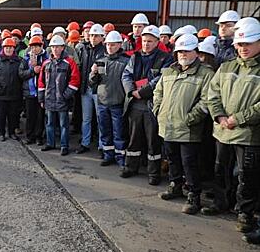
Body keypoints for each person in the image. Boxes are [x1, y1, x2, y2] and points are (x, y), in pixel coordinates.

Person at [205, 23, 260, 242]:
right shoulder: (227, 67)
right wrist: (219, 116)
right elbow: (213, 92)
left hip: (249, 134)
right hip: (222, 131)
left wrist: (238, 118)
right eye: (240, 44)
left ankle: (245, 214)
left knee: (246, 175)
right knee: (221, 169)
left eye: (248, 43)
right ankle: (221, 202)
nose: (243, 48)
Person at [153, 34, 214, 214]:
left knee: (190, 163)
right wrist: (159, 111)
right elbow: (158, 92)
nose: (182, 55)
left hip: (188, 128)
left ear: (196, 52)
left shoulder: (206, 73)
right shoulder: (169, 71)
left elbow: (207, 101)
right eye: (179, 51)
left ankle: (194, 195)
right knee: (172, 158)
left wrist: (191, 118)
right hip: (168, 125)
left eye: (186, 51)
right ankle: (175, 185)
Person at [122, 25, 173, 184]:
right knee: (134, 139)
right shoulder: (135, 57)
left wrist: (142, 92)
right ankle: (131, 167)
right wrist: (131, 91)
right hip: (135, 105)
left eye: (150, 41)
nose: (146, 44)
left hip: (152, 106)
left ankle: (154, 173)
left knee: (153, 141)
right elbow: (126, 75)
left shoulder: (166, 58)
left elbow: (161, 80)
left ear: (157, 41)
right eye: (144, 41)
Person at [88, 30, 129, 168]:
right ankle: (108, 155)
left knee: (119, 132)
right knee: (105, 131)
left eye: (113, 45)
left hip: (118, 103)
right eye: (108, 45)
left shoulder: (126, 62)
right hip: (102, 103)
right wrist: (93, 74)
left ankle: (120, 158)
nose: (110, 47)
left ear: (119, 45)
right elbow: (92, 82)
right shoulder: (100, 62)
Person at [39, 35, 81, 156]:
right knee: (49, 123)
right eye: (53, 47)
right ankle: (50, 143)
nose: (55, 49)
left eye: (58, 47)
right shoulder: (46, 63)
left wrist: (65, 96)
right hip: (49, 100)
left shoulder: (70, 63)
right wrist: (41, 98)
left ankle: (64, 146)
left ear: (63, 47)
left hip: (62, 100)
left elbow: (75, 81)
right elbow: (41, 82)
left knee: (64, 125)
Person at [0, 37, 31, 141]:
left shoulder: (20, 61)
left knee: (13, 114)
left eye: (11, 48)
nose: (9, 50)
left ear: (14, 49)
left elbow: (23, 75)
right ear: (3, 48)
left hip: (15, 93)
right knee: (1, 114)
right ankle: (1, 133)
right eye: (7, 48)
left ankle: (12, 132)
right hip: (0, 94)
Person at [75, 23, 106, 154]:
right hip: (85, 89)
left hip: (97, 90)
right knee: (86, 118)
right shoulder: (84, 49)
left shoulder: (104, 51)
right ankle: (85, 143)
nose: (93, 38)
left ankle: (101, 146)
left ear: (101, 37)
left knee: (100, 119)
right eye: (92, 35)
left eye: (96, 35)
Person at [23, 36, 48, 145]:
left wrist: (39, 67)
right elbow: (21, 74)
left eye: (37, 46)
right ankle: (30, 136)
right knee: (30, 115)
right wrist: (32, 70)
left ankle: (39, 136)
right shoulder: (25, 59)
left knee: (40, 116)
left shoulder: (47, 58)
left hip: (42, 91)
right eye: (32, 47)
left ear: (41, 46)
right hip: (30, 91)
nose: (34, 49)